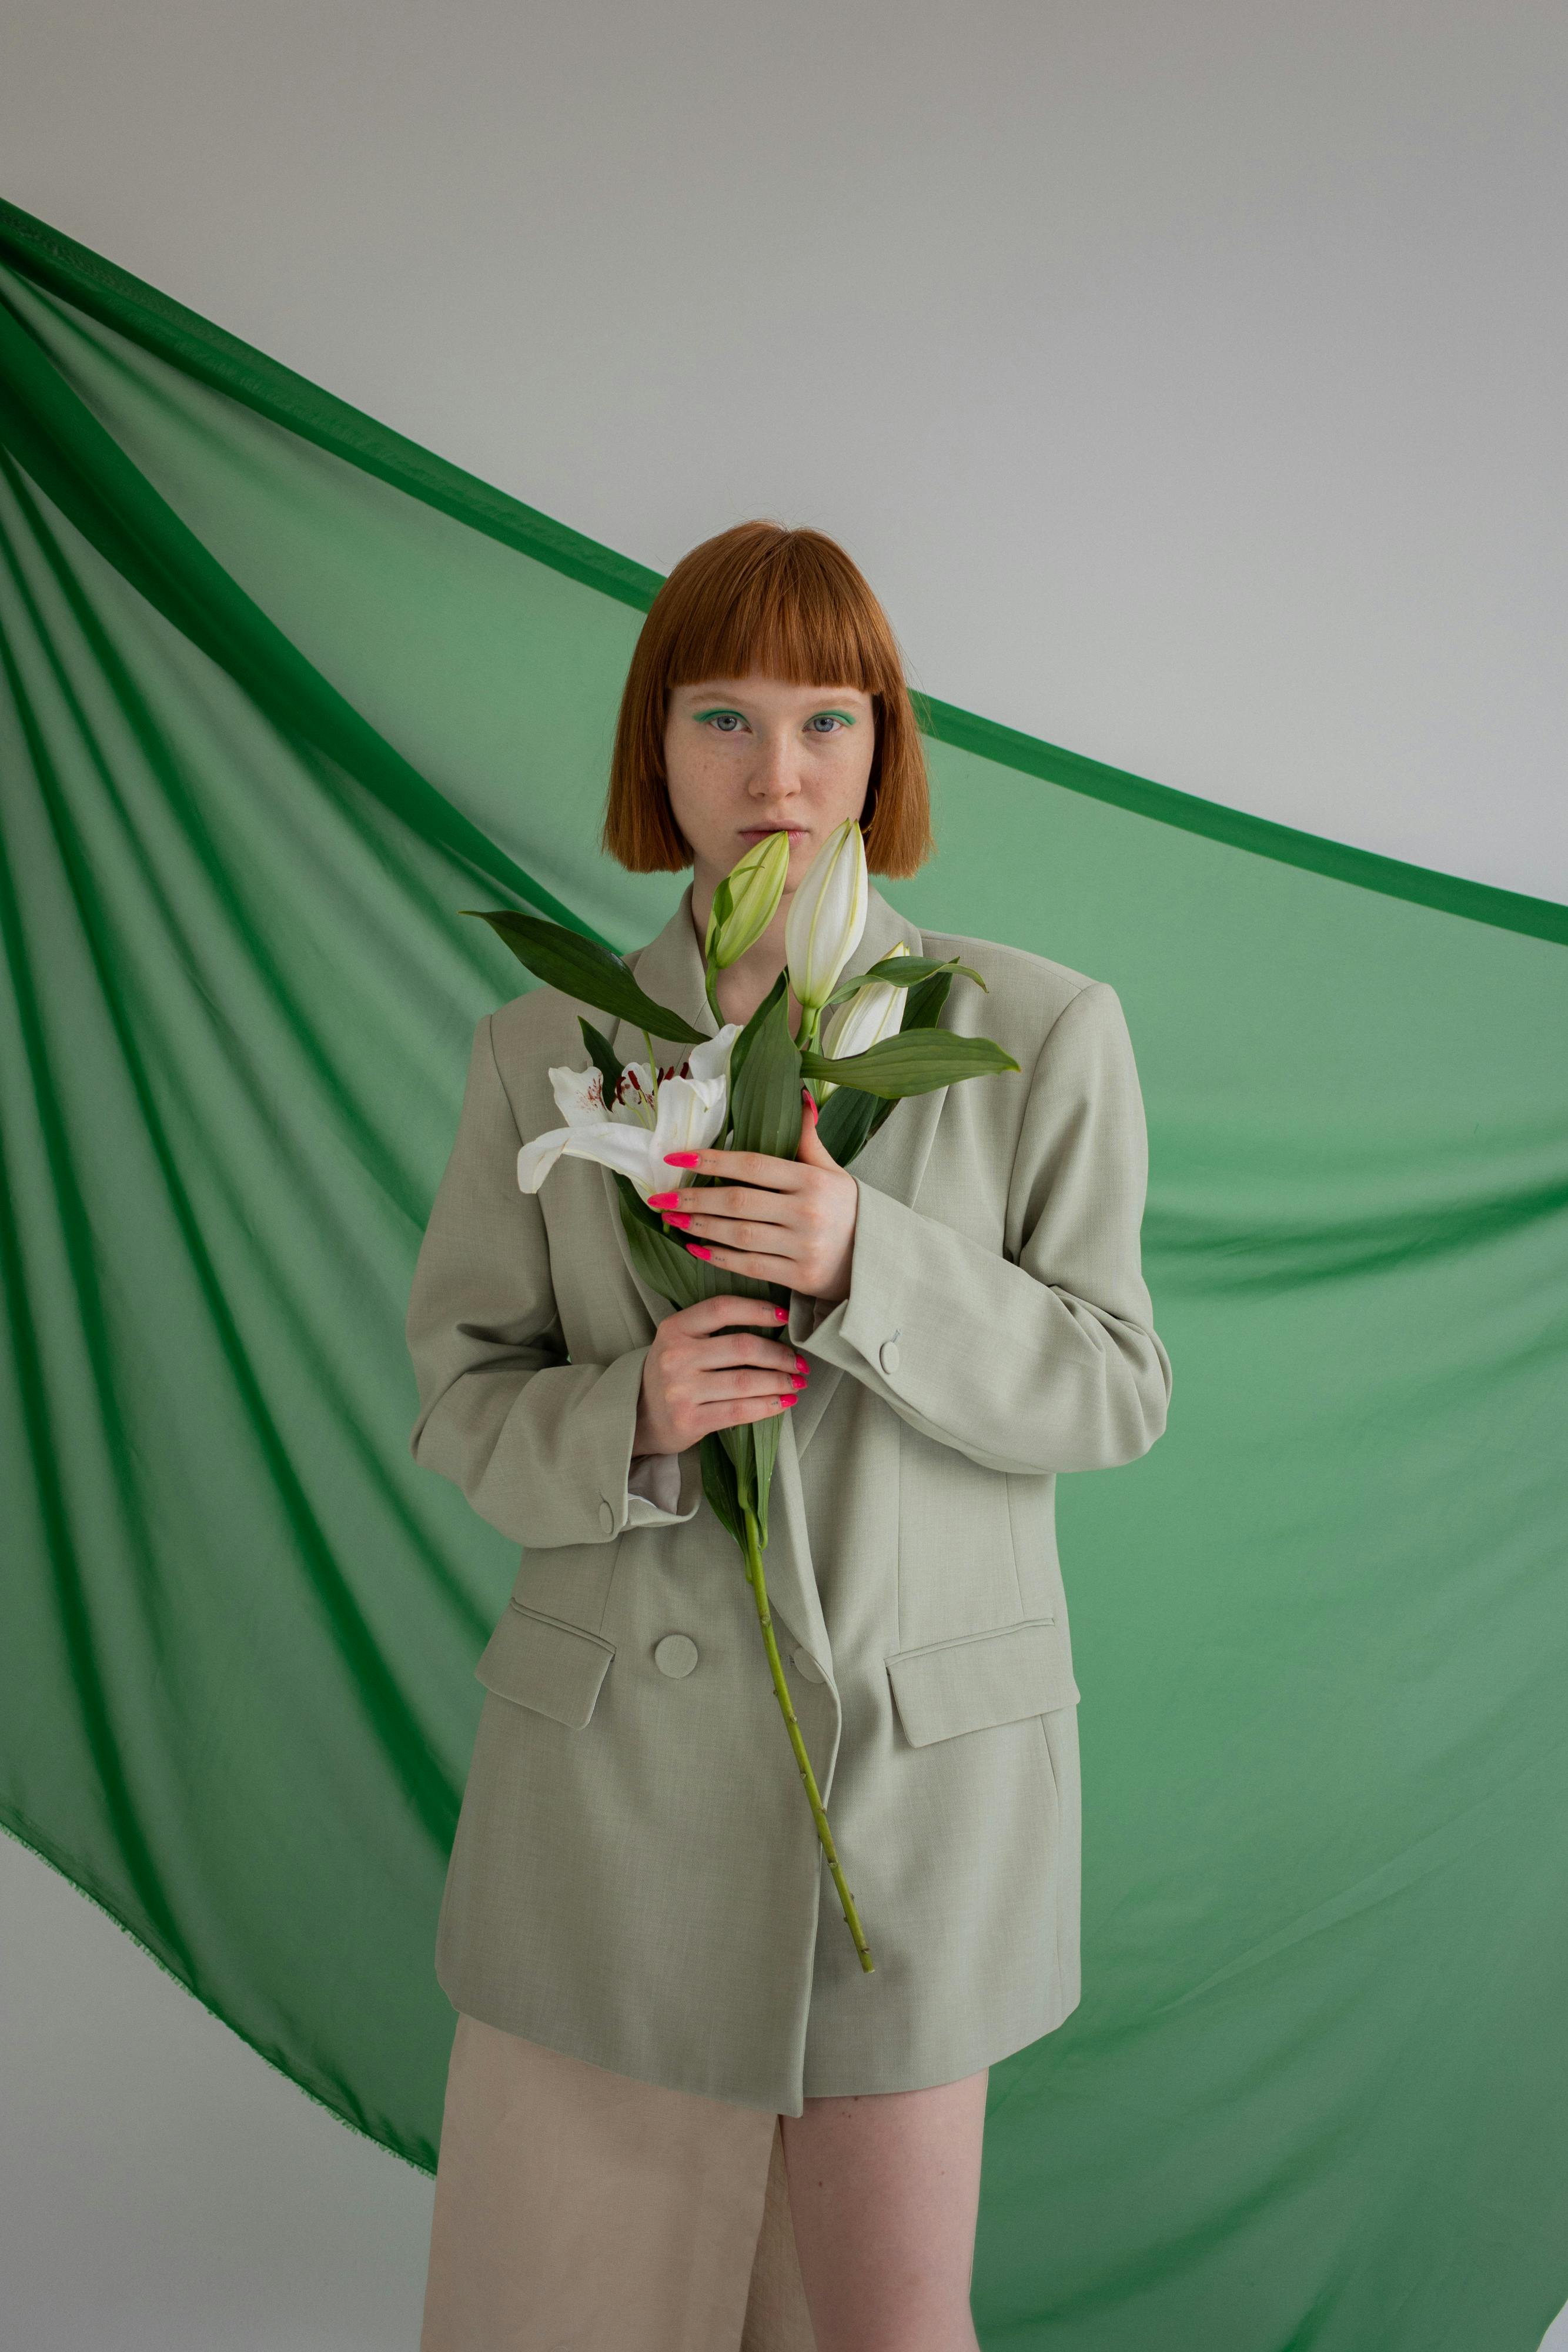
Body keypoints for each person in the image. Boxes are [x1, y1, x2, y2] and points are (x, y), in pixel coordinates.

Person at [406, 520, 1172, 2352]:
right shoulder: (546, 1045)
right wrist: (635, 1415)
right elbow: (461, 1395)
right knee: (565, 2318)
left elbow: (1110, 1388)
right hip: (609, 1806)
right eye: (723, 717)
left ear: (884, 747)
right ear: (653, 748)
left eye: (828, 720)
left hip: (905, 1802)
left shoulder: (1034, 1029)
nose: (777, 774)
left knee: (876, 2332)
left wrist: (863, 1259)